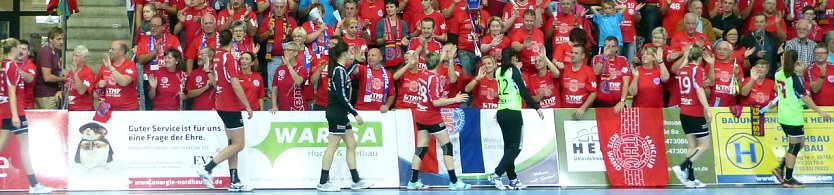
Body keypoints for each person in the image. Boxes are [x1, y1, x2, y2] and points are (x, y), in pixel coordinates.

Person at [195, 29, 255, 192]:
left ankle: (234, 180)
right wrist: (247, 105)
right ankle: (207, 168)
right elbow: (235, 83)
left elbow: (217, 83)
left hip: (221, 102)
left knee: (232, 143)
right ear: (232, 42)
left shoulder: (217, 57)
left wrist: (207, 71)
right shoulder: (228, 57)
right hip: (230, 104)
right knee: (239, 144)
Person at [405, 51, 472, 191]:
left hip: (420, 114)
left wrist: (446, 57)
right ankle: (454, 181)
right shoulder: (434, 78)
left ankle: (412, 181)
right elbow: (435, 102)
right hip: (431, 116)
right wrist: (455, 99)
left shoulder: (422, 73)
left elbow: (434, 61)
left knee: (421, 148)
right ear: (438, 63)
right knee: (447, 146)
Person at [315, 38, 375, 192]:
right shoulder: (338, 71)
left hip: (340, 113)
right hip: (337, 113)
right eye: (349, 51)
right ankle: (322, 182)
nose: (351, 53)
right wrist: (355, 113)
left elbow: (346, 76)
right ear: (343, 53)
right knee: (332, 146)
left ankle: (355, 180)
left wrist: (355, 61)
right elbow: (342, 95)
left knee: (351, 144)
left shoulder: (339, 70)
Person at [770, 50, 833, 188]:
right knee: (795, 145)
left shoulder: (778, 74)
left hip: (784, 114)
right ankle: (788, 179)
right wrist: (820, 112)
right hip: (793, 116)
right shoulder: (793, 78)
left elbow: (778, 88)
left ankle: (780, 168)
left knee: (800, 143)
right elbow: (805, 97)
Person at [0, 38, 54, 193]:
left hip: (10, 112)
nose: (22, 50)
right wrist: (16, 115)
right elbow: (11, 92)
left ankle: (35, 184)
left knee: (15, 146)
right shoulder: (11, 66)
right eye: (19, 47)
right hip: (14, 112)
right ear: (14, 49)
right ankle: (35, 185)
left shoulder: (7, 65)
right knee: (25, 147)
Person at [487, 48, 544, 191]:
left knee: (509, 148)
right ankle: (496, 174)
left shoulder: (498, 71)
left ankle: (512, 179)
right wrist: (536, 107)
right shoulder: (513, 71)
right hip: (512, 112)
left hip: (501, 111)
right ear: (513, 58)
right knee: (516, 147)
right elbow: (523, 91)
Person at [670, 46, 712, 188]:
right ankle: (682, 167)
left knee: (693, 146)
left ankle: (691, 178)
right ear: (700, 58)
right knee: (705, 145)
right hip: (695, 112)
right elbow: (700, 91)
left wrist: (686, 55)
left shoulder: (683, 70)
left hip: (684, 112)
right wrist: (708, 109)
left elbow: (679, 70)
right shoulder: (698, 70)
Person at [258, 0, 298, 92]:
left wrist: (290, 34)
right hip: (273, 59)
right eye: (276, 7)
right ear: (272, 7)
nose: (279, 9)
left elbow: (298, 41)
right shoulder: (267, 21)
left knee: (288, 89)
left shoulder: (291, 21)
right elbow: (260, 39)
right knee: (272, 90)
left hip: (289, 59)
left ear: (285, 7)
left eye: (281, 7)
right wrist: (268, 31)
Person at [97, 41, 140, 111]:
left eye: (112, 49)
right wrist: (99, 85)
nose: (110, 51)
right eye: (109, 49)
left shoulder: (130, 65)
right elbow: (97, 86)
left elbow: (124, 82)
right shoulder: (105, 66)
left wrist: (111, 68)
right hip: (108, 109)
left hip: (128, 110)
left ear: (121, 52)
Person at [592, 37, 630, 111]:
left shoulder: (623, 60)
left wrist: (622, 101)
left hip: (618, 103)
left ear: (617, 48)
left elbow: (626, 82)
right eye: (606, 46)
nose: (608, 48)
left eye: (611, 46)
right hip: (600, 102)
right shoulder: (596, 58)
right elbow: (595, 73)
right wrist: (603, 57)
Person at [269, 42, 309, 111]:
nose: (285, 52)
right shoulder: (279, 69)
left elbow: (298, 82)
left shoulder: (302, 68)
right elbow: (274, 90)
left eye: (288, 50)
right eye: (285, 50)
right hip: (284, 110)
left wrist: (289, 66)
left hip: (299, 109)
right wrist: (274, 106)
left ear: (295, 53)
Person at [740, 14, 783, 78]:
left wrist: (780, 53)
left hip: (770, 76)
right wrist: (756, 55)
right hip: (753, 76)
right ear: (754, 23)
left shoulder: (773, 37)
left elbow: (777, 58)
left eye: (761, 22)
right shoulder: (747, 38)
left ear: (766, 23)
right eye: (757, 22)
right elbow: (743, 58)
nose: (759, 24)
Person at [561, 45, 597, 118]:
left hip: (583, 113)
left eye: (576, 53)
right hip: (565, 112)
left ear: (583, 56)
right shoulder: (564, 69)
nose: (573, 55)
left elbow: (594, 93)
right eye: (572, 52)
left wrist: (583, 108)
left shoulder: (588, 71)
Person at [35, 27, 65, 109]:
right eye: (58, 39)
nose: (61, 42)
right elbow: (47, 77)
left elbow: (61, 69)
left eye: (62, 39)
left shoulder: (57, 52)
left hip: (54, 92)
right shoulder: (46, 52)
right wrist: (63, 79)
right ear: (50, 39)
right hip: (46, 95)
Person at [706, 41, 743, 107]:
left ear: (731, 53)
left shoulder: (736, 67)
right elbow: (709, 84)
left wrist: (736, 76)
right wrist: (711, 65)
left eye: (725, 49)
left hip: (730, 107)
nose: (721, 51)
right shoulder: (710, 64)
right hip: (713, 105)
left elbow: (739, 91)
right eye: (719, 49)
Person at [377, 0, 410, 69]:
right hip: (384, 58)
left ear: (397, 8)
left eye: (391, 7)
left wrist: (404, 42)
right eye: (387, 7)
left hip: (400, 57)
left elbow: (405, 40)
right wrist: (383, 40)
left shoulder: (403, 23)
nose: (389, 9)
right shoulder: (380, 23)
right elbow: (377, 42)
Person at [510, 10, 545, 75]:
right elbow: (514, 46)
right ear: (522, 20)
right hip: (524, 71)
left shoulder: (539, 32)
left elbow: (543, 49)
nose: (529, 23)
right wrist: (523, 46)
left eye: (531, 21)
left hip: (538, 70)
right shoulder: (517, 32)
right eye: (527, 20)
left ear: (534, 21)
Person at [66, 45, 96, 111]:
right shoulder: (70, 72)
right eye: (73, 55)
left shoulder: (88, 73)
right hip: (70, 109)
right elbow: (69, 88)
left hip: (83, 111)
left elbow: (81, 91)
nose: (73, 58)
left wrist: (75, 74)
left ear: (84, 58)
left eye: (76, 56)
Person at [15, 40, 36, 110]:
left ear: (28, 52)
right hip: (11, 105)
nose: (21, 52)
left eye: (24, 49)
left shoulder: (31, 65)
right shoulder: (10, 63)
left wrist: (15, 69)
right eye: (19, 49)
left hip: (26, 106)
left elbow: (30, 79)